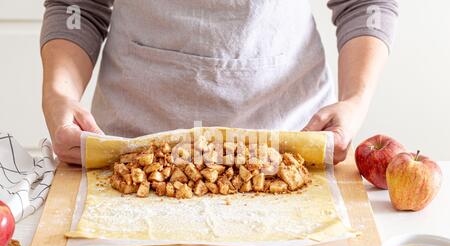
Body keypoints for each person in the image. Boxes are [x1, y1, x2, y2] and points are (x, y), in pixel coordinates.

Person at [40, 0, 398, 165]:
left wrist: (355, 100)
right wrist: (59, 93)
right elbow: (79, 5)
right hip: (132, 150)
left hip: (289, 146)